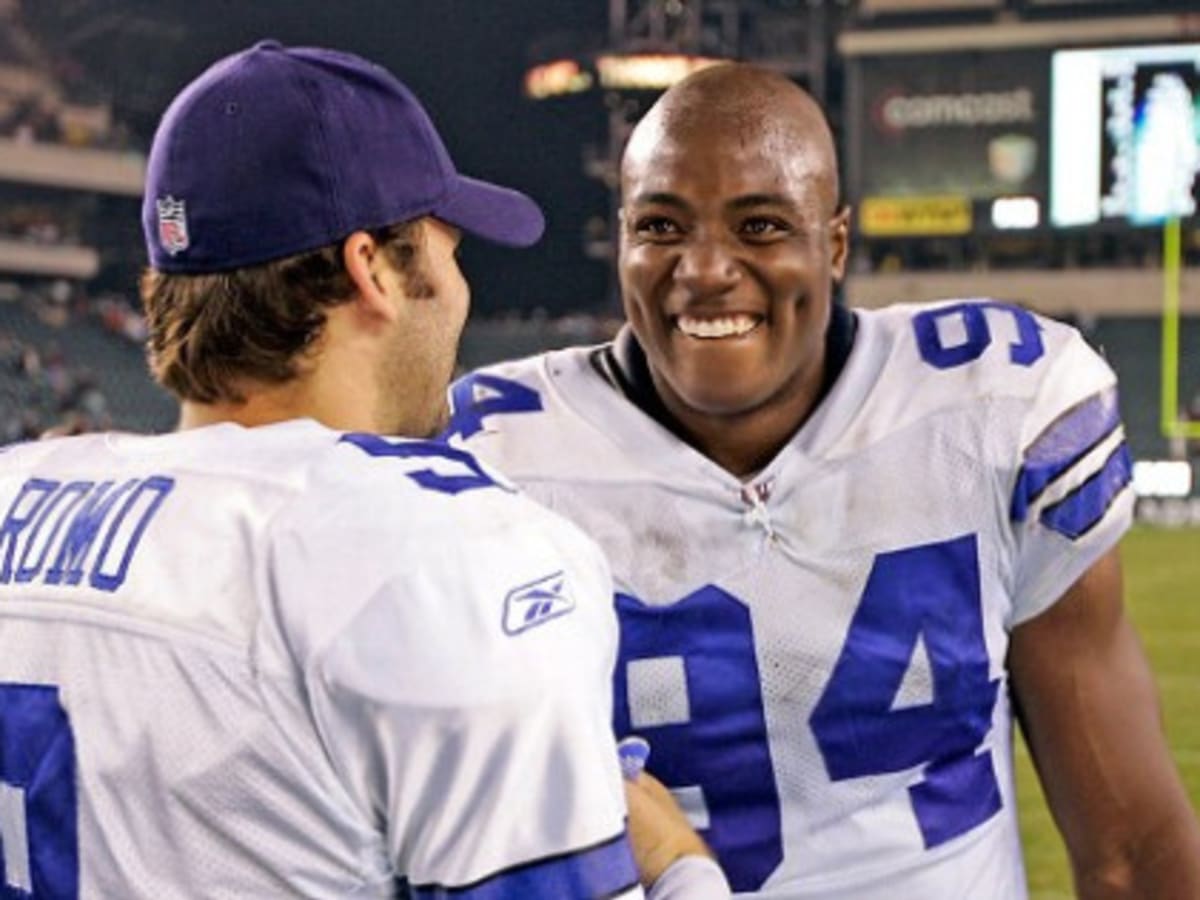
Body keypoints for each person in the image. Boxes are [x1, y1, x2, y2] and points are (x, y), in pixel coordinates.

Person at [447, 63, 1200, 898]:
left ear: (833, 244)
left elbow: (1130, 849)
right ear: (621, 238)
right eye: (661, 226)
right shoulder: (489, 458)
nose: (704, 270)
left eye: (760, 226)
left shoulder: (992, 408)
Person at [0, 41, 729, 899]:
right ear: (371, 269)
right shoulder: (439, 549)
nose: (461, 291)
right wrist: (682, 863)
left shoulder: (20, 489)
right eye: (450, 251)